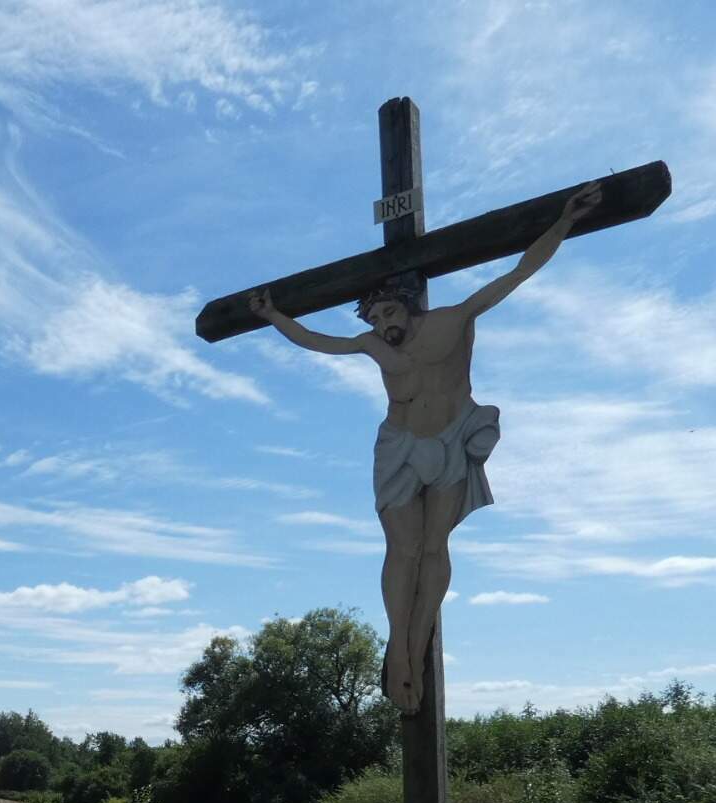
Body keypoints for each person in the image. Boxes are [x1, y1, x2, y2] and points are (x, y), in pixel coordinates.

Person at [248, 181, 604, 713]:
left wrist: (564, 222)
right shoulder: (372, 344)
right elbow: (320, 342)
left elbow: (518, 272)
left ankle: (414, 650)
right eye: (374, 319)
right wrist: (275, 316)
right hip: (400, 446)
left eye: (389, 314)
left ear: (408, 305)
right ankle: (401, 655)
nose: (383, 325)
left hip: (451, 436)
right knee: (403, 549)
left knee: (435, 547)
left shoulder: (454, 321)